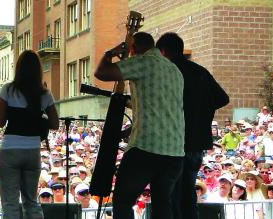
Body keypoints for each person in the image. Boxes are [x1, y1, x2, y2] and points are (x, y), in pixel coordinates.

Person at [94, 32, 185, 219]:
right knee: (162, 205)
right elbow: (160, 106)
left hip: (146, 148)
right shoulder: (175, 71)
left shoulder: (143, 62)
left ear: (133, 49)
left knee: (123, 201)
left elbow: (101, 72)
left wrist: (110, 53)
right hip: (175, 152)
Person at [156, 32, 229, 219]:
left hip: (175, 142)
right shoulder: (199, 71)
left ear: (163, 51)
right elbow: (222, 98)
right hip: (197, 142)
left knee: (172, 196)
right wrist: (201, 110)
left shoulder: (168, 72)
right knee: (188, 191)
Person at [0, 50, 59, 219]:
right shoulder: (44, 93)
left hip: (9, 150)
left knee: (10, 202)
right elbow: (55, 124)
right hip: (32, 150)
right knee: (31, 200)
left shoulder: (8, 89)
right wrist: (40, 116)